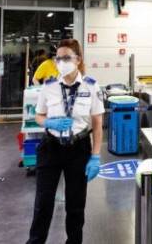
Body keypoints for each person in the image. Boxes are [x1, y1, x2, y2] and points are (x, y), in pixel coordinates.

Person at [27, 39, 104, 244]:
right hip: (51, 146)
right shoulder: (49, 86)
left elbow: (97, 124)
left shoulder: (91, 86)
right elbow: (39, 116)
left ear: (78, 60)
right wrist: (49, 122)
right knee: (43, 202)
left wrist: (95, 156)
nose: (61, 62)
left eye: (66, 57)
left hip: (78, 149)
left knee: (76, 205)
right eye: (58, 58)